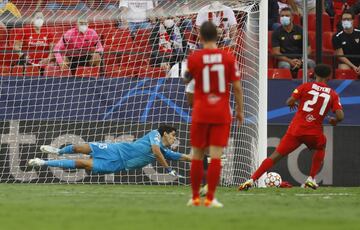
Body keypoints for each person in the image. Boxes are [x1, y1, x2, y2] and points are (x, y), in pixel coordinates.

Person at [238, 64, 344, 191]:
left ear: (314, 74)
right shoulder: (333, 94)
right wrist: (334, 120)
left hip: (296, 130)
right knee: (321, 145)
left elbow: (289, 101)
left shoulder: (305, 86)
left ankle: (252, 179)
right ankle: (311, 178)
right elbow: (340, 115)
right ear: (329, 76)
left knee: (275, 156)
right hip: (313, 132)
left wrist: (294, 102)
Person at [184, 21, 244, 208]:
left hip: (201, 111)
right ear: (217, 37)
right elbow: (236, 87)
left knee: (197, 155)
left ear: (200, 37)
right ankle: (210, 198)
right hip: (221, 112)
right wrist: (240, 111)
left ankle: (194, 198)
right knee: (216, 156)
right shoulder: (227, 57)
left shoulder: (194, 58)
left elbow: (187, 80)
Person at [28, 125, 191, 175]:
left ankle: (43, 162)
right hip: (114, 149)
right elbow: (155, 151)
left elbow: (185, 157)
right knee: (81, 147)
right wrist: (169, 169)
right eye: (173, 135)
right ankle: (58, 151)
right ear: (165, 133)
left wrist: (206, 158)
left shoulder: (165, 152)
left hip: (117, 164)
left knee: (82, 163)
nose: (174, 139)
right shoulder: (155, 135)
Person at [272, 7, 316, 77]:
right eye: (282, 16)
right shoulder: (276, 32)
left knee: (311, 63)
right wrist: (290, 61)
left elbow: (308, 49)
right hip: (285, 60)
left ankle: (311, 84)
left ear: (292, 17)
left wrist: (301, 60)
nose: (284, 17)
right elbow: (276, 52)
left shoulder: (301, 30)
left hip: (301, 58)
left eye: (287, 15)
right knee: (285, 65)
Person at [332, 10, 360, 76]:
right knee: (343, 69)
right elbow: (341, 56)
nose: (346, 21)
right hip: (346, 63)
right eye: (344, 19)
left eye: (349, 19)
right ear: (341, 21)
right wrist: (354, 67)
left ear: (353, 21)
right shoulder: (337, 37)